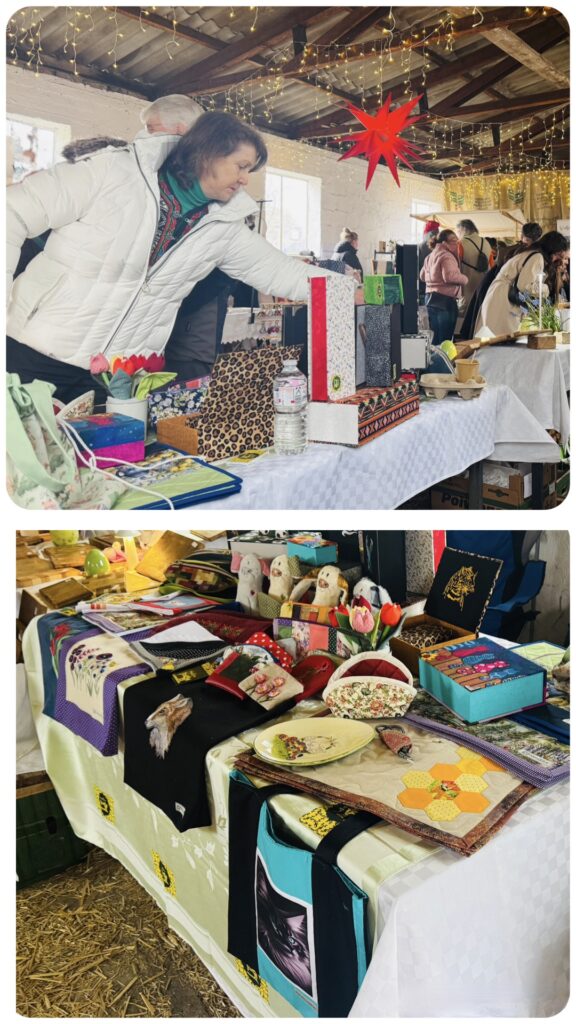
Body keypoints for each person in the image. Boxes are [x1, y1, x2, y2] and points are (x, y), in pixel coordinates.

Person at [7, 112, 358, 402]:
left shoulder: (225, 226)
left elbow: (281, 272)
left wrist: (345, 289)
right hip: (34, 352)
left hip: (117, 379)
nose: (245, 180)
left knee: (99, 465)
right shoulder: (112, 171)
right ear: (208, 152)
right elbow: (12, 210)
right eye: (241, 166)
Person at [474, 230, 569, 336]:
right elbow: (525, 286)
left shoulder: (532, 253)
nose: (557, 259)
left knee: (494, 336)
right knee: (499, 338)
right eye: (558, 254)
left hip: (500, 294)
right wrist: (545, 288)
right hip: (503, 298)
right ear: (551, 249)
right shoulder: (537, 257)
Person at [460, 221, 544, 338]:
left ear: (522, 235)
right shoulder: (529, 253)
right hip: (498, 289)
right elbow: (522, 283)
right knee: (493, 329)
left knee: (488, 327)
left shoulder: (516, 249)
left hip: (492, 284)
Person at [419, 229, 468, 345]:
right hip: (445, 302)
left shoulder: (430, 256)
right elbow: (449, 277)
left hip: (430, 300)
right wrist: (465, 279)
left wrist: (433, 281)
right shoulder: (447, 256)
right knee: (445, 340)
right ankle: (443, 358)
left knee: (434, 339)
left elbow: (422, 276)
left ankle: (434, 357)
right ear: (444, 243)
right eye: (453, 240)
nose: (456, 243)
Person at [455, 218, 494, 322]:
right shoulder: (486, 243)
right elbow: (492, 266)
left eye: (458, 231)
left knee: (463, 321)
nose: (458, 234)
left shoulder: (460, 244)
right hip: (482, 289)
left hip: (466, 290)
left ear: (463, 229)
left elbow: (455, 268)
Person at [418, 222, 439, 302]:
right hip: (437, 286)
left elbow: (417, 267)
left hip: (424, 285)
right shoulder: (439, 246)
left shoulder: (420, 246)